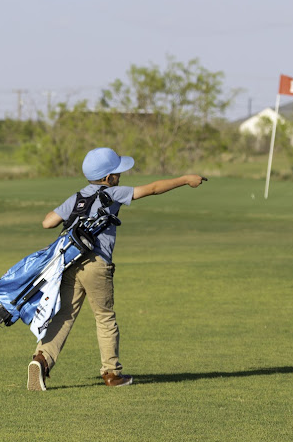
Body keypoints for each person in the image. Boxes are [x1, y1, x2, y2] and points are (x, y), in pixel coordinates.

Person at [27, 147, 206, 390]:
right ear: (108, 178)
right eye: (117, 173)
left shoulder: (78, 197)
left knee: (64, 315)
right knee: (104, 317)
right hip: (97, 264)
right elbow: (152, 189)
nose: (120, 176)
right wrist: (186, 180)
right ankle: (111, 373)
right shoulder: (113, 193)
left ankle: (41, 360)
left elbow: (48, 222)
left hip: (70, 264)